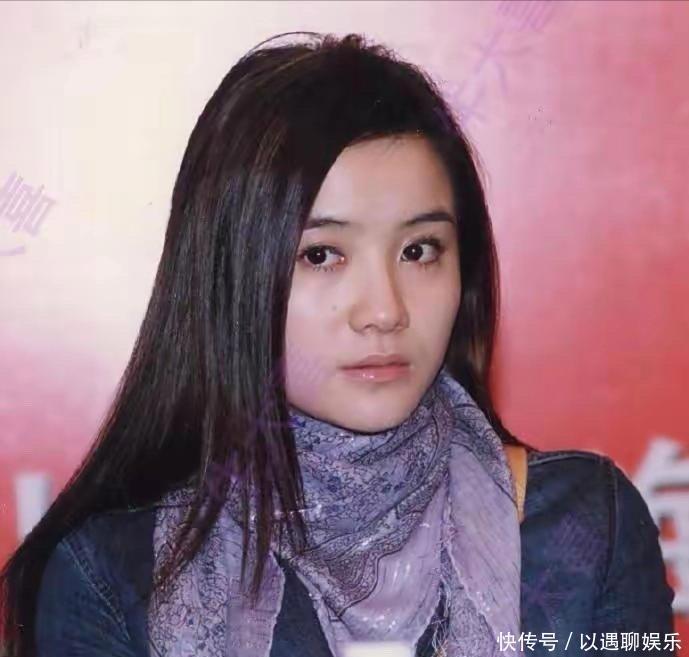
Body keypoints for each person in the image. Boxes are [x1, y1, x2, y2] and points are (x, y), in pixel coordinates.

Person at [0, 31, 676, 657]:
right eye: (321, 255)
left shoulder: (585, 527)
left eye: (419, 250)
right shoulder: (113, 576)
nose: (383, 310)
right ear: (230, 274)